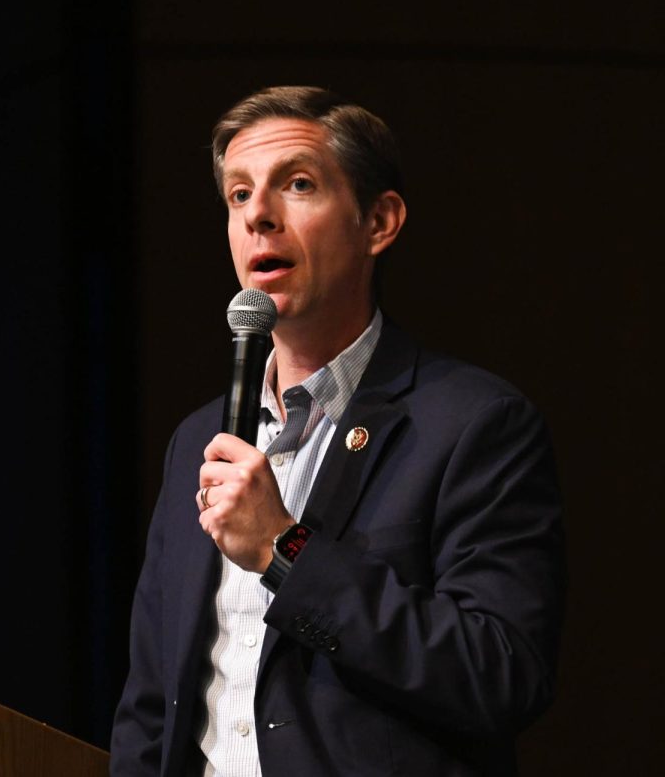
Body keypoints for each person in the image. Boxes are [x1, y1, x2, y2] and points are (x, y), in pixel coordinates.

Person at [111, 86, 565, 776]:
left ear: (378, 221)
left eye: (296, 184)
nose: (258, 214)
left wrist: (284, 546)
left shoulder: (473, 424)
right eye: (237, 195)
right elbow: (151, 703)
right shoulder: (197, 441)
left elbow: (499, 673)